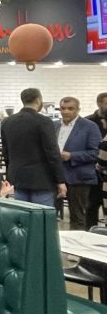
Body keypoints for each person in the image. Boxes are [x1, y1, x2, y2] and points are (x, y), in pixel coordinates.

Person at [1, 88, 66, 207]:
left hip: (18, 177)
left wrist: (10, 176)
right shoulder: (44, 121)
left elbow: (6, 153)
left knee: (23, 218)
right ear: (38, 100)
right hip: (41, 179)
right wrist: (60, 180)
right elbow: (52, 152)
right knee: (40, 218)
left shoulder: (7, 122)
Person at [56, 97, 102, 230]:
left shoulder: (89, 126)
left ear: (78, 109)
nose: (66, 111)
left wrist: (71, 156)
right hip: (56, 177)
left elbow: (96, 153)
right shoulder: (54, 125)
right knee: (50, 214)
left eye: (70, 108)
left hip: (79, 177)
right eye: (63, 108)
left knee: (77, 217)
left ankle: (75, 248)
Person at [87, 93, 107, 225]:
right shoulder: (87, 122)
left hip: (103, 172)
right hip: (93, 172)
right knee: (92, 205)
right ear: (99, 103)